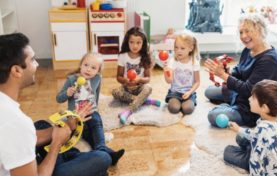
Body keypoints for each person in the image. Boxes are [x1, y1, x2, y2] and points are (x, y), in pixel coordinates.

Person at [0, 33, 111, 176]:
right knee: (103, 158)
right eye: (33, 60)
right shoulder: (17, 123)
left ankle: (70, 159)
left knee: (40, 124)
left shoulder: (7, 110)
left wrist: (68, 127)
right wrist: (55, 145)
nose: (38, 64)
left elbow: (19, 137)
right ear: (16, 70)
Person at [204, 13, 277, 127]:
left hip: (253, 107)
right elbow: (239, 72)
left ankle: (231, 108)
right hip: (240, 95)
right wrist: (227, 71)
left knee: (213, 116)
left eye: (247, 31)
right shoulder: (249, 49)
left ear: (260, 30)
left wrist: (223, 75)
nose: (243, 36)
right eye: (241, 32)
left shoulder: (269, 61)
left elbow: (248, 90)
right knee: (208, 91)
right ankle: (230, 105)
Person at [56, 52, 125, 165]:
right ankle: (108, 153)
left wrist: (95, 108)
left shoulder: (97, 78)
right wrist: (67, 93)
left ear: (98, 71)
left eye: (93, 68)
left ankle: (103, 152)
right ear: (81, 65)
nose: (88, 69)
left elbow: (96, 94)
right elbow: (59, 98)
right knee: (88, 134)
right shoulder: (71, 79)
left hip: (91, 111)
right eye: (86, 65)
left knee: (96, 125)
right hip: (75, 116)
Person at [224, 80, 277, 175]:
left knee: (228, 151)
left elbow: (256, 163)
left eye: (253, 97)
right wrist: (239, 129)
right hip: (269, 155)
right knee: (240, 136)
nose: (249, 99)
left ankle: (246, 153)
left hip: (264, 167)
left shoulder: (262, 131)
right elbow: (255, 134)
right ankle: (248, 148)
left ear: (264, 107)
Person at [112, 27, 159, 124]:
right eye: (132, 42)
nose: (135, 45)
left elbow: (148, 78)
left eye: (138, 43)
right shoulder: (123, 56)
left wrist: (139, 79)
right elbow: (119, 77)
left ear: (143, 43)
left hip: (139, 87)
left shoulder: (145, 56)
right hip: (127, 88)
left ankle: (128, 111)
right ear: (127, 42)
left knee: (148, 88)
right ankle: (144, 101)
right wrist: (125, 80)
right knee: (115, 92)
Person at [163, 33, 200, 115]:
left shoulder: (194, 62)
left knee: (188, 109)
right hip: (175, 93)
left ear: (190, 48)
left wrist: (190, 92)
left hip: (189, 93)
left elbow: (197, 82)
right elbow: (169, 81)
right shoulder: (172, 61)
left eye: (182, 48)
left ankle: (187, 102)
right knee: (173, 108)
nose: (178, 50)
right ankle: (177, 102)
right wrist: (166, 72)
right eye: (176, 47)